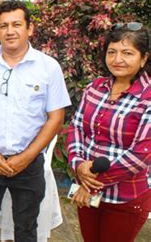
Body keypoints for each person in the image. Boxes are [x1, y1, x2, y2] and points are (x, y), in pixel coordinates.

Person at [0, 0, 71, 241]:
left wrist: (26, 157)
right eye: (4, 26)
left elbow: (56, 117)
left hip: (29, 165)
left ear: (30, 29)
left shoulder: (48, 67)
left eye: (17, 24)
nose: (10, 31)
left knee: (26, 228)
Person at [67, 22, 150, 242]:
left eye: (127, 53)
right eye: (111, 52)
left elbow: (141, 154)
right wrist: (78, 164)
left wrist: (91, 184)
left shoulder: (148, 98)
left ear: (143, 58)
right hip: (87, 192)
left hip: (125, 197)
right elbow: (77, 128)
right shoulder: (95, 87)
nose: (117, 59)